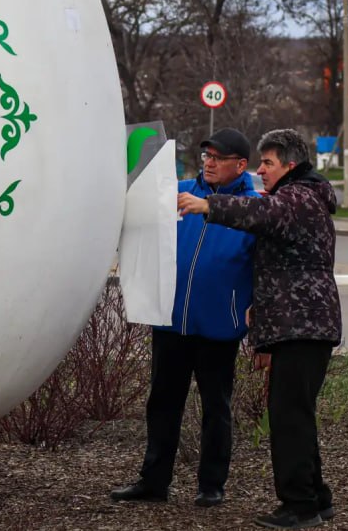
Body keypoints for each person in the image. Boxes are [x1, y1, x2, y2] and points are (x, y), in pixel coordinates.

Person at [176, 129, 341, 530]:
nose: (261, 171)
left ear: (290, 164)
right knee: (296, 414)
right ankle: (316, 498)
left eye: (267, 163)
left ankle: (299, 506)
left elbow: (261, 215)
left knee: (288, 418)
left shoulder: (298, 197)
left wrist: (207, 205)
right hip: (299, 326)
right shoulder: (304, 196)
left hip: (302, 328)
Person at [111, 127, 258, 508]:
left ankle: (211, 485)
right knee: (161, 403)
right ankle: (153, 482)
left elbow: (263, 269)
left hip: (218, 327)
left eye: (217, 157)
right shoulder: (174, 194)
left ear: (240, 165)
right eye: (206, 155)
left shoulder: (251, 208)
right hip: (171, 321)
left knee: (216, 409)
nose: (208, 162)